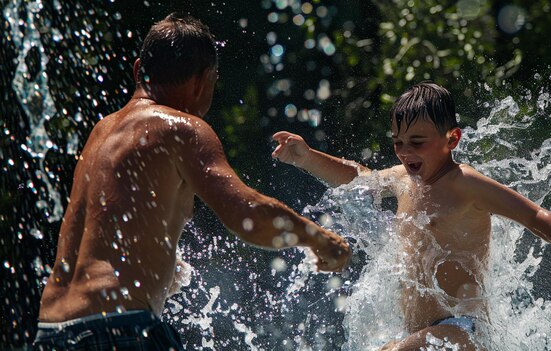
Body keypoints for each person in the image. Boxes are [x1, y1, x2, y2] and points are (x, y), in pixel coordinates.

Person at [33, 13, 351, 350]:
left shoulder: (101, 132)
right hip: (121, 331)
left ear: (138, 69)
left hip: (51, 331)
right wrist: (316, 237)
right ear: (202, 81)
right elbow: (246, 214)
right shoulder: (181, 127)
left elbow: (105, 240)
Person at [271, 81, 551, 350]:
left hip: (460, 331)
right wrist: (307, 157)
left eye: (417, 141)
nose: (405, 151)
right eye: (398, 142)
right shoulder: (403, 179)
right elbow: (359, 179)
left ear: (451, 139)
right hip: (417, 333)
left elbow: (535, 215)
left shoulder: (466, 185)